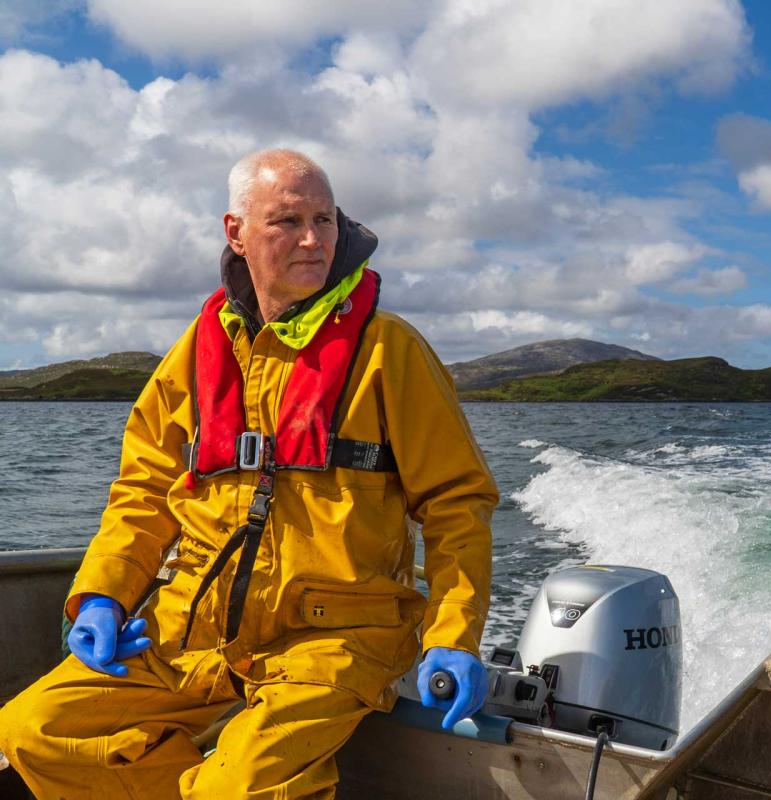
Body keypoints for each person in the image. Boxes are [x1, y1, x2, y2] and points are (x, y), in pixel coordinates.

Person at [0, 149, 498, 798]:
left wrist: (454, 633)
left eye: (325, 219)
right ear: (235, 231)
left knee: (233, 788)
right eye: (287, 221)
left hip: (337, 635)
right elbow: (144, 494)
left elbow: (459, 503)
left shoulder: (390, 350)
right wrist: (103, 595)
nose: (314, 239)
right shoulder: (195, 354)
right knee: (36, 729)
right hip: (194, 627)